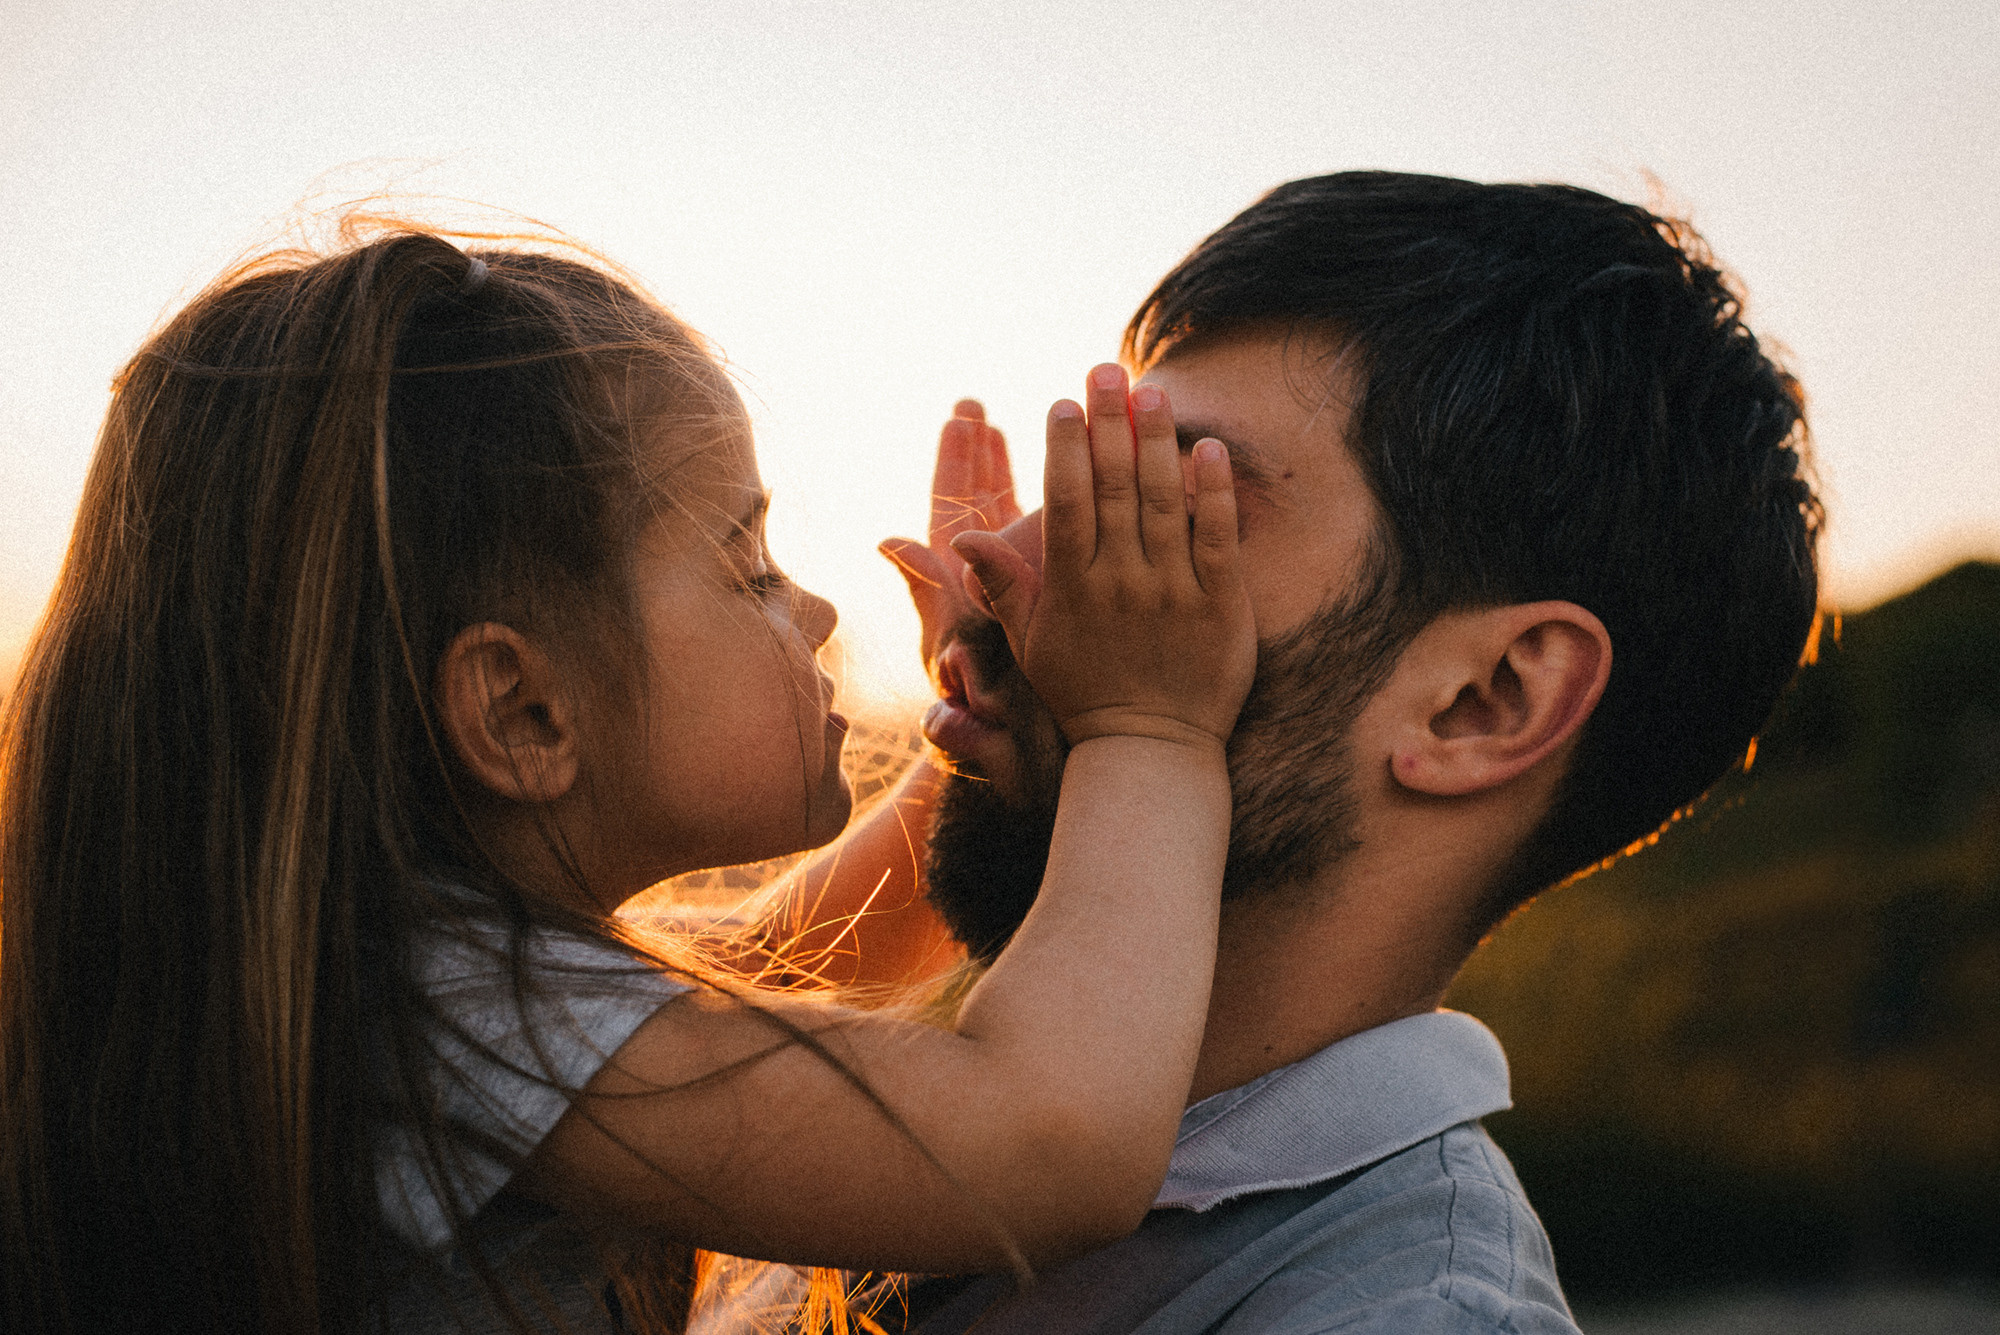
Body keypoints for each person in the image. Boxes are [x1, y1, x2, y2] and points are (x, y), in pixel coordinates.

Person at [0, 223, 1264, 1334]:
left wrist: (979, 702)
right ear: (523, 711)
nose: (816, 609)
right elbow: (1047, 1146)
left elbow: (802, 948)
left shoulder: (425, 982)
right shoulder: (445, 1008)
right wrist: (1146, 726)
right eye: (749, 564)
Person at [757, 171, 1823, 1333]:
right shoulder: (935, 1100)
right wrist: (996, 706)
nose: (980, 556)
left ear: (1482, 702)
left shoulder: (1403, 1315)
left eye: (1163, 507)